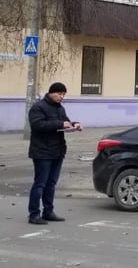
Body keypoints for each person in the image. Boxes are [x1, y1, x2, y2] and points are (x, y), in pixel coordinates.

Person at [27, 82, 81, 225]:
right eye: (59, 94)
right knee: (40, 184)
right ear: (51, 93)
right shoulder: (38, 108)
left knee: (51, 184)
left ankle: (48, 211)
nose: (61, 97)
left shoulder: (60, 109)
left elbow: (65, 122)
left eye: (63, 94)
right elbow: (37, 125)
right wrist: (60, 124)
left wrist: (74, 125)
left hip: (57, 151)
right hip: (42, 152)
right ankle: (34, 214)